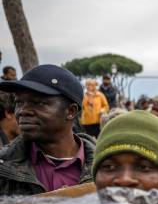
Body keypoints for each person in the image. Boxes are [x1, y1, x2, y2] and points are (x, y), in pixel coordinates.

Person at [0, 64, 95, 196]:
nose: (23, 111)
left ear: (71, 111)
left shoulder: (106, 167)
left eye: (39, 103)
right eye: (19, 102)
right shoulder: (4, 166)